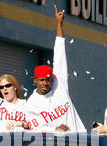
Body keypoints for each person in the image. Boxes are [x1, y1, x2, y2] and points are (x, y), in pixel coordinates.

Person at [25, 5, 86, 133]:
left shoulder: (59, 85)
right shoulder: (31, 103)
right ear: (35, 80)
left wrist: (59, 24)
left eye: (48, 80)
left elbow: (59, 54)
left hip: (79, 139)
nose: (46, 83)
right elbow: (37, 128)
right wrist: (55, 129)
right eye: (42, 80)